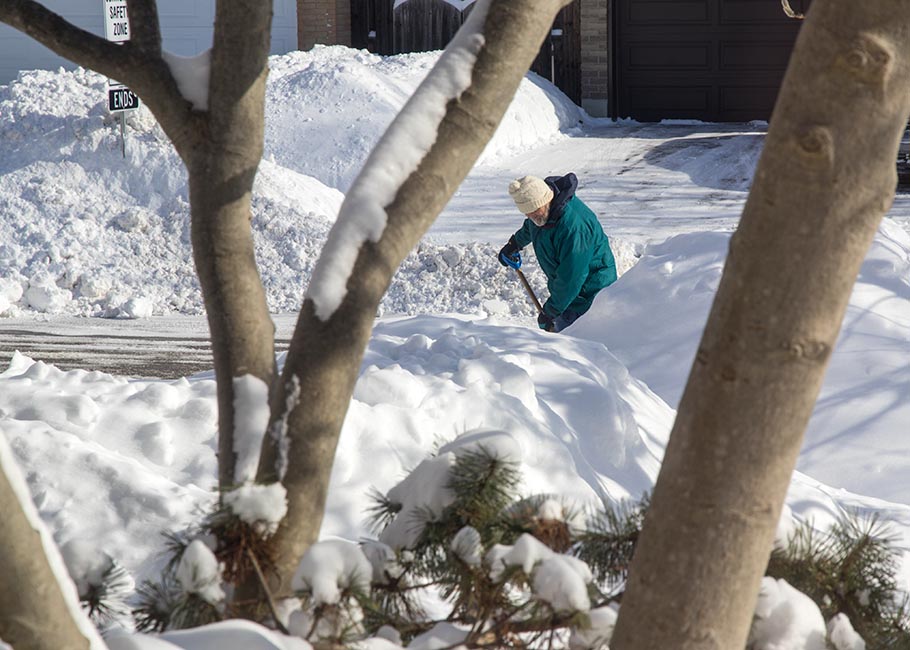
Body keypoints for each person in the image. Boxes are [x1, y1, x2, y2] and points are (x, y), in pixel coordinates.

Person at [498, 173, 616, 333]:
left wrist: (551, 311)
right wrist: (515, 244)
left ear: (545, 201)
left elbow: (571, 278)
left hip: (590, 297)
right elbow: (533, 226)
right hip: (569, 296)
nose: (531, 217)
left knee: (576, 348)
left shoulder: (573, 228)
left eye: (534, 212)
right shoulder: (545, 213)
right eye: (528, 214)